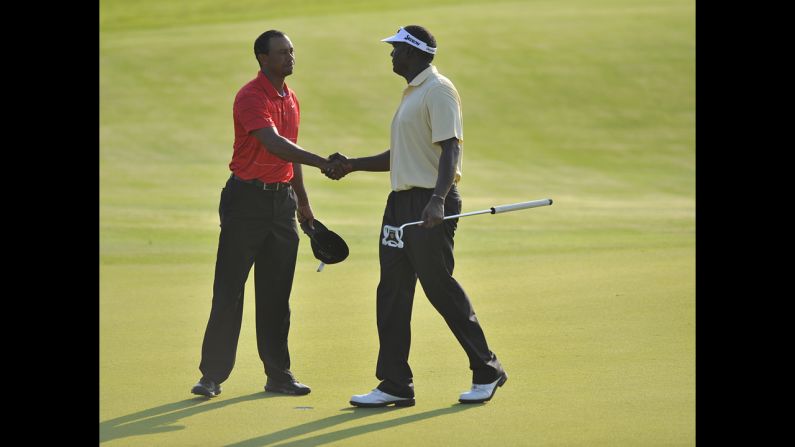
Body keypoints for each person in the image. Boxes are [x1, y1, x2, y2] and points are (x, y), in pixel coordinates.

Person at [326, 25, 507, 407]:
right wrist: (353, 165)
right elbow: (401, 155)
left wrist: (438, 200)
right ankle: (394, 383)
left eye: (396, 49)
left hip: (429, 202)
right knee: (391, 290)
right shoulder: (412, 94)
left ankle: (487, 369)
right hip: (399, 205)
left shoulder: (438, 90)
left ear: (413, 53)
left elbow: (450, 150)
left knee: (438, 286)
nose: (391, 55)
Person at [191, 30, 340, 398]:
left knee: (277, 293)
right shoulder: (250, 96)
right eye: (282, 52)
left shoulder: (291, 99)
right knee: (229, 289)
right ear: (262, 58)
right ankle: (212, 376)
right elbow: (274, 143)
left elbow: (289, 154)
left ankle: (278, 374)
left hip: (281, 205)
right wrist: (324, 162)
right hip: (246, 201)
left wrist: (303, 203)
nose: (290, 57)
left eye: (291, 51)